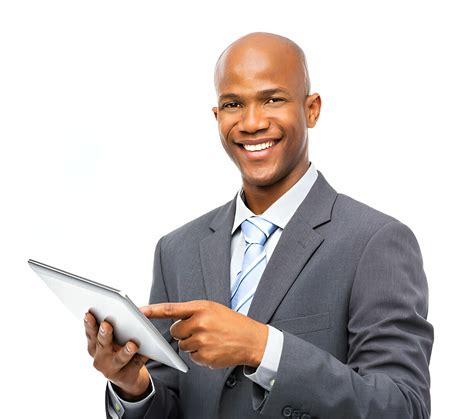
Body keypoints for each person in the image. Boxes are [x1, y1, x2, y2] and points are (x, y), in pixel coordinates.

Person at [84, 32, 434, 418]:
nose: (251, 122)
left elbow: (403, 406)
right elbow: (174, 403)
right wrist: (134, 386)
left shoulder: (376, 242)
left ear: (312, 110)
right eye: (233, 104)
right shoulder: (176, 250)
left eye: (273, 99)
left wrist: (262, 347)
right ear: (217, 116)